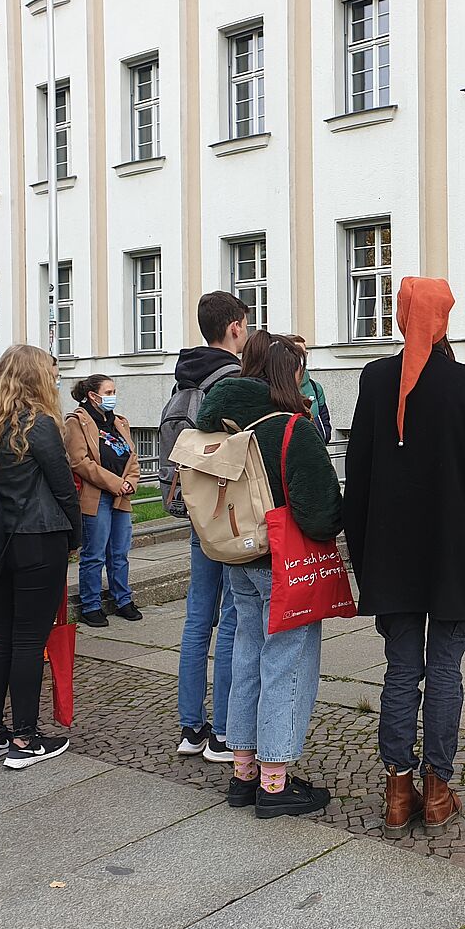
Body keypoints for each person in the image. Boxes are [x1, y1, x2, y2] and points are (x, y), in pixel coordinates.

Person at [343, 277, 465, 838]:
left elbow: (358, 470)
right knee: (444, 670)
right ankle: (437, 789)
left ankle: (397, 788)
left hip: (393, 553)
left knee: (402, 670)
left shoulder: (375, 379)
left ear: (401, 318)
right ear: (443, 322)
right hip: (455, 552)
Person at [195, 334, 343, 817]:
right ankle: (275, 781)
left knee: (245, 658)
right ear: (289, 373)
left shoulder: (215, 423)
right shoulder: (290, 428)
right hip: (280, 560)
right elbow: (320, 514)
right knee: (286, 663)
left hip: (234, 555)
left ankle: (243, 771)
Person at [0, 344, 82, 769]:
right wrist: (76, 534)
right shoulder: (40, 424)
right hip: (38, 538)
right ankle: (26, 738)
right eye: (51, 371)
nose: (55, 378)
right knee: (30, 641)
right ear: (35, 376)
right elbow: (63, 485)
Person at [172, 291, 248, 763]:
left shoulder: (182, 381)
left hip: (197, 515)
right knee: (235, 620)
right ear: (236, 328)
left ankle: (190, 728)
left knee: (198, 619)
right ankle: (223, 731)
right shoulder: (233, 381)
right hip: (230, 515)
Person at [64, 375, 142, 627]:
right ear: (92, 396)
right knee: (94, 554)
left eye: (114, 391)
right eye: (108, 392)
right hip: (96, 497)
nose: (112, 396)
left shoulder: (119, 422)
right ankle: (91, 604)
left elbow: (132, 457)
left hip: (121, 497)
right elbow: (79, 462)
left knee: (120, 552)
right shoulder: (77, 421)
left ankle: (123, 599)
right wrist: (115, 483)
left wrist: (130, 481)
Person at [291, 335, 332, 443]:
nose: (302, 357)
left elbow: (324, 418)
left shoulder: (315, 387)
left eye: (304, 353)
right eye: (298, 352)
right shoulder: (280, 389)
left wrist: (324, 436)